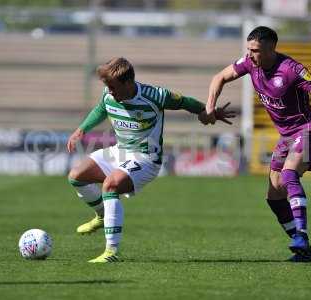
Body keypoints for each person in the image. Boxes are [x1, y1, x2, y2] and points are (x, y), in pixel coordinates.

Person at [67, 57, 235, 263]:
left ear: (128, 83)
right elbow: (101, 108)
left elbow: (184, 102)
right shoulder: (108, 94)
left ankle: (111, 251)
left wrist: (207, 111)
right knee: (76, 176)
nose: (110, 91)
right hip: (120, 151)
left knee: (110, 186)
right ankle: (103, 215)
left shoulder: (155, 95)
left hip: (146, 158)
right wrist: (81, 129)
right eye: (108, 87)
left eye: (113, 87)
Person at [202, 26, 311, 262]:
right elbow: (220, 77)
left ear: (270, 49)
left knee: (289, 174)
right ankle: (304, 250)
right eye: (248, 49)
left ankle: (301, 235)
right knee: (274, 196)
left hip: (308, 130)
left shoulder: (291, 69)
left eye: (255, 50)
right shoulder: (250, 63)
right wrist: (209, 108)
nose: (249, 55)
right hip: (286, 136)